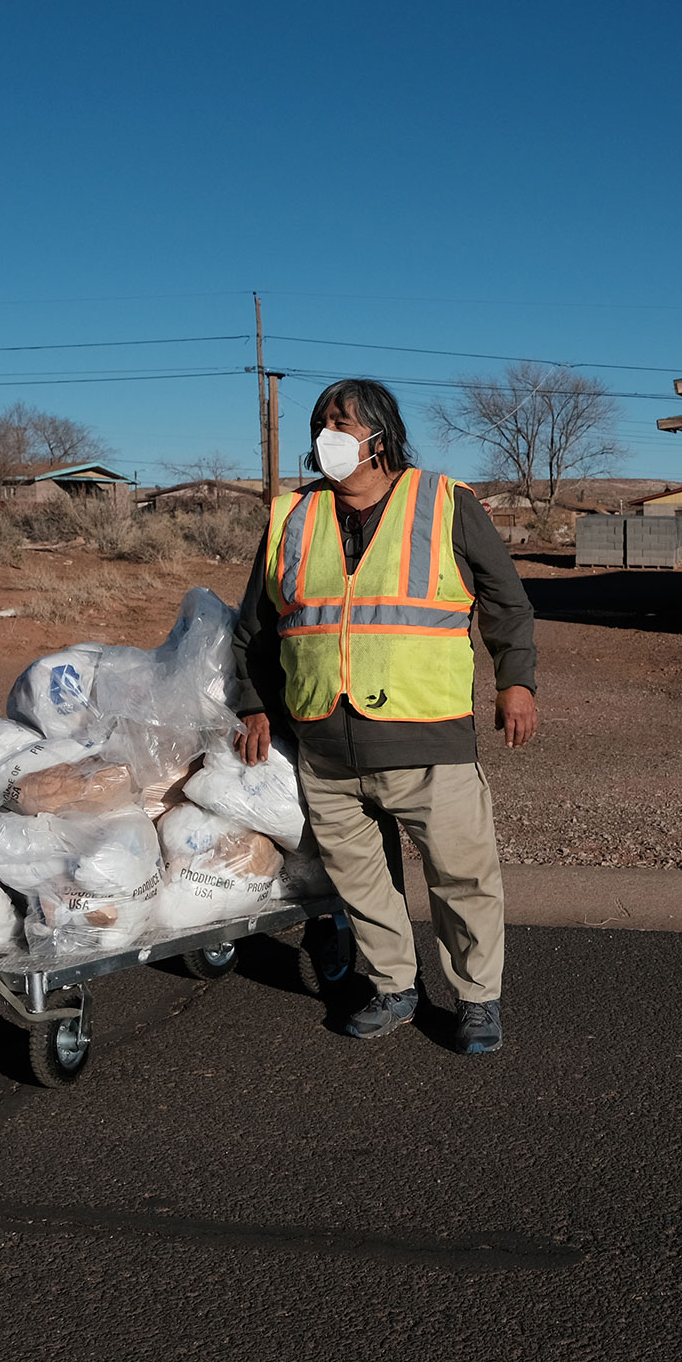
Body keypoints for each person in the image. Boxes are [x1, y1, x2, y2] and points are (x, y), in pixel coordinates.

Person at [230, 378, 538, 1053]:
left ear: (379, 433)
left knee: (462, 879)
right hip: (326, 745)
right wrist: (253, 705)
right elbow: (256, 626)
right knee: (362, 882)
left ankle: (477, 1001)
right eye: (320, 425)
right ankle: (394, 987)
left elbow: (506, 602)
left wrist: (516, 684)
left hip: (430, 741)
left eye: (340, 423)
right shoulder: (292, 516)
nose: (326, 438)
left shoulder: (446, 503)